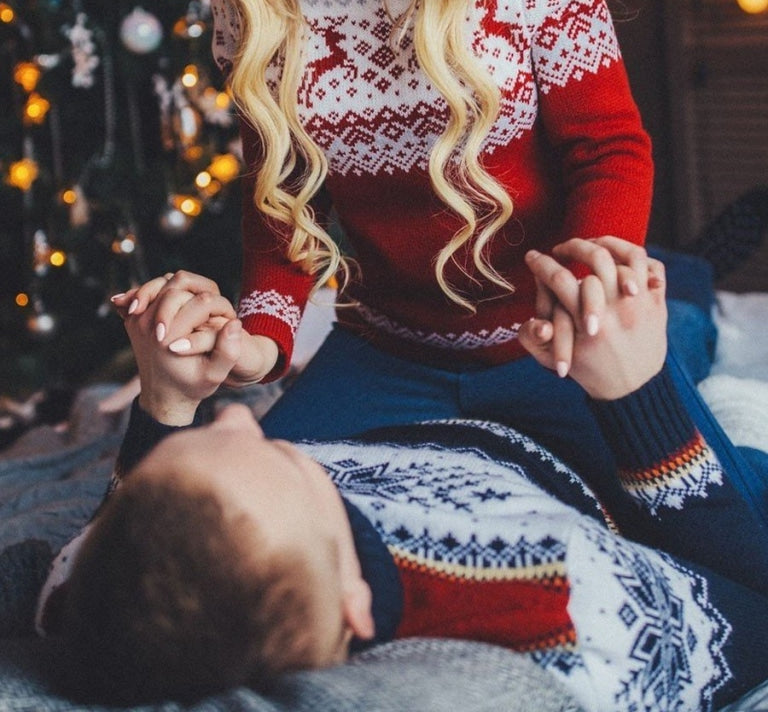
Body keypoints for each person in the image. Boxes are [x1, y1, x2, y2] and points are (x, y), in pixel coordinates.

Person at [114, 0, 662, 519]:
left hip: (551, 350)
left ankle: (683, 304)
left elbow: (608, 147)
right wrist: (258, 347)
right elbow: (281, 209)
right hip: (386, 354)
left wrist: (596, 281)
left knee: (698, 518)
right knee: (225, 525)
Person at [46, 239, 768, 710]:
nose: (238, 418)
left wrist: (168, 405)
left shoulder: (106, 602)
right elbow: (746, 599)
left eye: (214, 434)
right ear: (354, 604)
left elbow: (83, 567)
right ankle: (693, 285)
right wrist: (638, 393)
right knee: (647, 324)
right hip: (553, 449)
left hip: (401, 404)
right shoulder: (555, 604)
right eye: (281, 458)